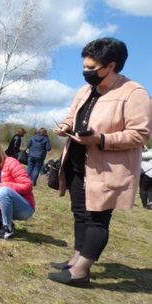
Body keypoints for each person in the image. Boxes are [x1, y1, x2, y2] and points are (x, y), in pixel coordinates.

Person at [49, 37, 152, 288]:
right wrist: (65, 126)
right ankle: (75, 260)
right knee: (80, 213)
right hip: (76, 162)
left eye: (91, 68)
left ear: (112, 65)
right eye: (84, 67)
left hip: (107, 169)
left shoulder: (134, 93)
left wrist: (101, 139)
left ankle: (81, 273)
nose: (85, 73)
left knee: (97, 219)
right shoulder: (85, 90)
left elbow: (140, 134)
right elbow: (73, 115)